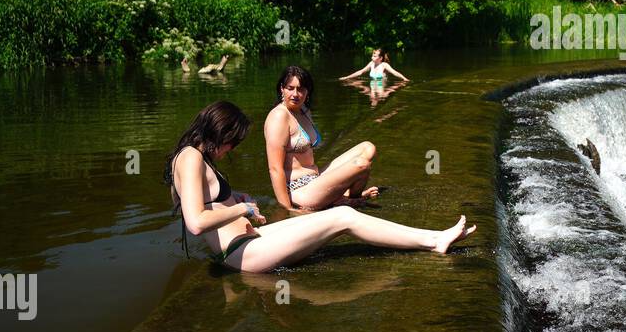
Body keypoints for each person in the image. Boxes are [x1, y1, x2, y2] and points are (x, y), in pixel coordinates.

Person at [165, 101, 473, 272]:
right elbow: (195, 223)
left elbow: (209, 203)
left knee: (327, 218)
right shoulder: (191, 158)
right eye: (232, 142)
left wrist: (235, 198)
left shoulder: (194, 156)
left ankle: (433, 238)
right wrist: (243, 209)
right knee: (343, 218)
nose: (231, 149)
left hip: (250, 241)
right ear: (220, 132)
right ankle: (434, 241)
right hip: (243, 253)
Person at [264, 66, 379, 211]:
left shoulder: (304, 111)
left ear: (307, 91)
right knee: (362, 165)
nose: (295, 94)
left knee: (368, 148)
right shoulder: (279, 116)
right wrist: (288, 209)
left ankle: (342, 197)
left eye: (301, 89)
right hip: (300, 190)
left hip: (315, 178)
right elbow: (274, 169)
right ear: (282, 89)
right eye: (290, 88)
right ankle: (351, 200)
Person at [340, 49, 410, 84]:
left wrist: (404, 79)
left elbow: (395, 73)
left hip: (381, 88)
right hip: (372, 87)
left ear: (380, 58)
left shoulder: (384, 65)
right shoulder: (371, 64)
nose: (372, 57)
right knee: (354, 84)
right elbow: (360, 72)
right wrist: (347, 77)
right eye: (372, 55)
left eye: (374, 56)